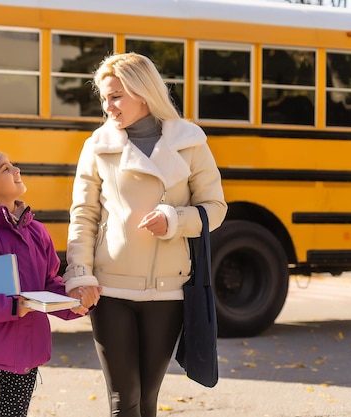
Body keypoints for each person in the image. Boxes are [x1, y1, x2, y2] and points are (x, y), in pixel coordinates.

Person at [63, 52, 228, 417]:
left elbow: (215, 208)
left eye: (116, 96)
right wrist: (80, 273)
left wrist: (174, 221)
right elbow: (84, 215)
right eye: (104, 97)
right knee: (124, 401)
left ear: (144, 92)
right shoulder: (97, 146)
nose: (108, 106)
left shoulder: (190, 142)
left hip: (169, 291)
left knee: (147, 399)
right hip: (110, 288)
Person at [0, 150, 97, 417]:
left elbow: (49, 284)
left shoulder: (37, 232)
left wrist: (76, 301)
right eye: (5, 169)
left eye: (12, 165)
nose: (16, 170)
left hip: (27, 351)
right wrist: (12, 306)